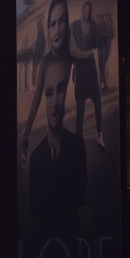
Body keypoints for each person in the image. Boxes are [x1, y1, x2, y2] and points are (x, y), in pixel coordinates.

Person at [19, 0, 103, 162]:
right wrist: (26, 133)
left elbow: (78, 53)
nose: (57, 30)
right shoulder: (46, 62)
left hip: (66, 136)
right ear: (48, 28)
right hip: (52, 134)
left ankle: (99, 134)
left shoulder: (68, 53)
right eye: (52, 24)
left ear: (67, 23)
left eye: (62, 21)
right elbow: (36, 99)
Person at [28, 55, 87, 239]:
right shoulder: (36, 158)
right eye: (48, 92)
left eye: (60, 90)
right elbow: (35, 211)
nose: (54, 102)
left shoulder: (77, 147)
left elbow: (81, 199)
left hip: (71, 244)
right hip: (45, 250)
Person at [70, 0, 104, 149]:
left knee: (97, 100)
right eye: (85, 10)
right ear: (82, 11)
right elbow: (74, 52)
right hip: (80, 67)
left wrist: (87, 54)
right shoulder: (75, 26)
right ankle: (78, 138)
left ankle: (99, 134)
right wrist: (88, 53)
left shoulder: (94, 26)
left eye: (89, 11)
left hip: (90, 68)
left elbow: (97, 48)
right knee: (80, 105)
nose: (87, 13)